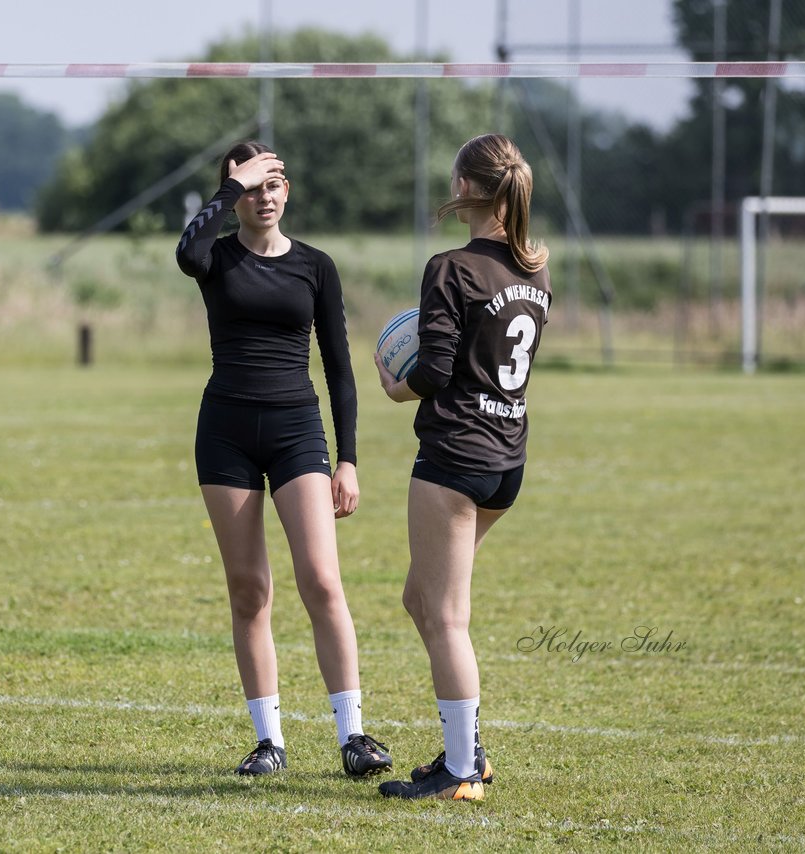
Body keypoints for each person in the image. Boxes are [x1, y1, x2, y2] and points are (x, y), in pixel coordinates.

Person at [175, 140, 392, 779]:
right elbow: (184, 250)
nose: (262, 197)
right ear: (234, 196)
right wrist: (226, 185)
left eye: (272, 185)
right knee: (250, 591)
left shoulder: (316, 267)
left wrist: (346, 460)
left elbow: (340, 368)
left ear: (287, 190)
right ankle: (269, 742)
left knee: (322, 580)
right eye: (249, 188)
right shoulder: (213, 258)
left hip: (298, 429)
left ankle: (353, 735)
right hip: (226, 434)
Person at [374, 134, 551, 801]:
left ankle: (460, 771)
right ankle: (467, 748)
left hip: (455, 456)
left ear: (467, 188)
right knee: (421, 598)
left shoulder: (450, 268)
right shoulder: (535, 269)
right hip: (508, 458)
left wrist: (395, 386)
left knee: (446, 615)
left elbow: (436, 370)